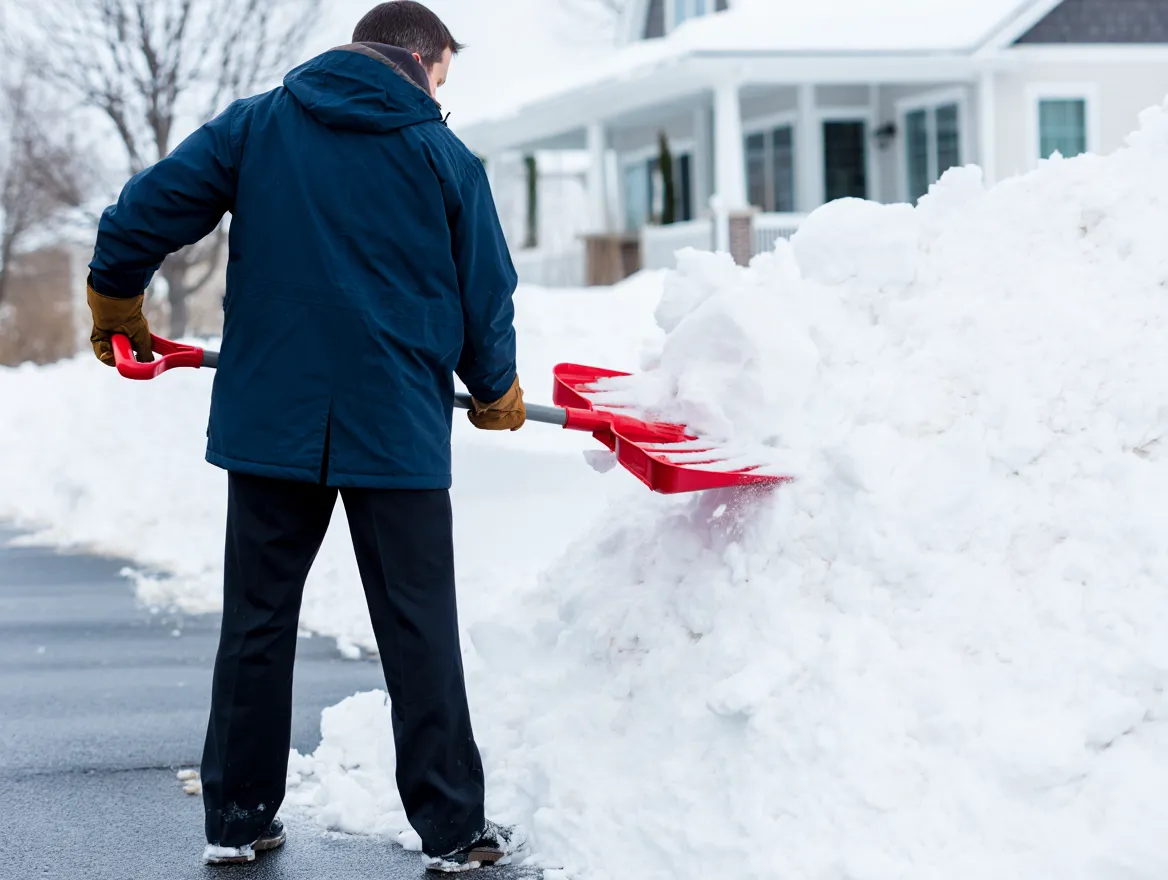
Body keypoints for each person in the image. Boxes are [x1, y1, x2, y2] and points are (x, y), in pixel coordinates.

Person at [85, 1, 526, 873]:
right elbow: (485, 287)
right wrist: (495, 385)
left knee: (257, 621)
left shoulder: (257, 125)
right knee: (418, 627)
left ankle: (237, 819)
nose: (443, 92)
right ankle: (453, 831)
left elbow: (144, 210)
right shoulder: (440, 153)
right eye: (445, 73)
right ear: (425, 57)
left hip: (271, 418)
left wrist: (116, 299)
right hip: (395, 423)